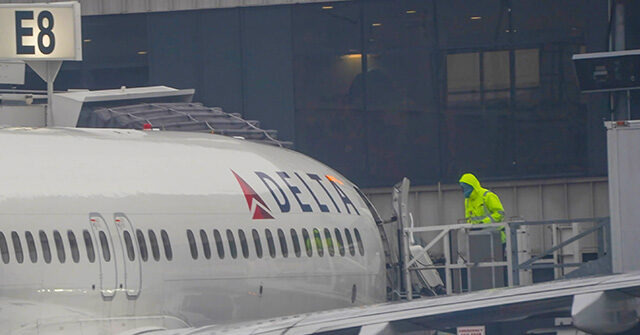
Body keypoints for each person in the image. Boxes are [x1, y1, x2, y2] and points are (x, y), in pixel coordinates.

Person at [459, 173, 506, 243]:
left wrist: (483, 223)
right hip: (478, 238)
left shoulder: (487, 196)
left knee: (496, 254)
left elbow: (500, 213)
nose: (463, 190)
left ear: (471, 186)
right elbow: (468, 218)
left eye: (464, 187)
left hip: (496, 237)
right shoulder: (467, 201)